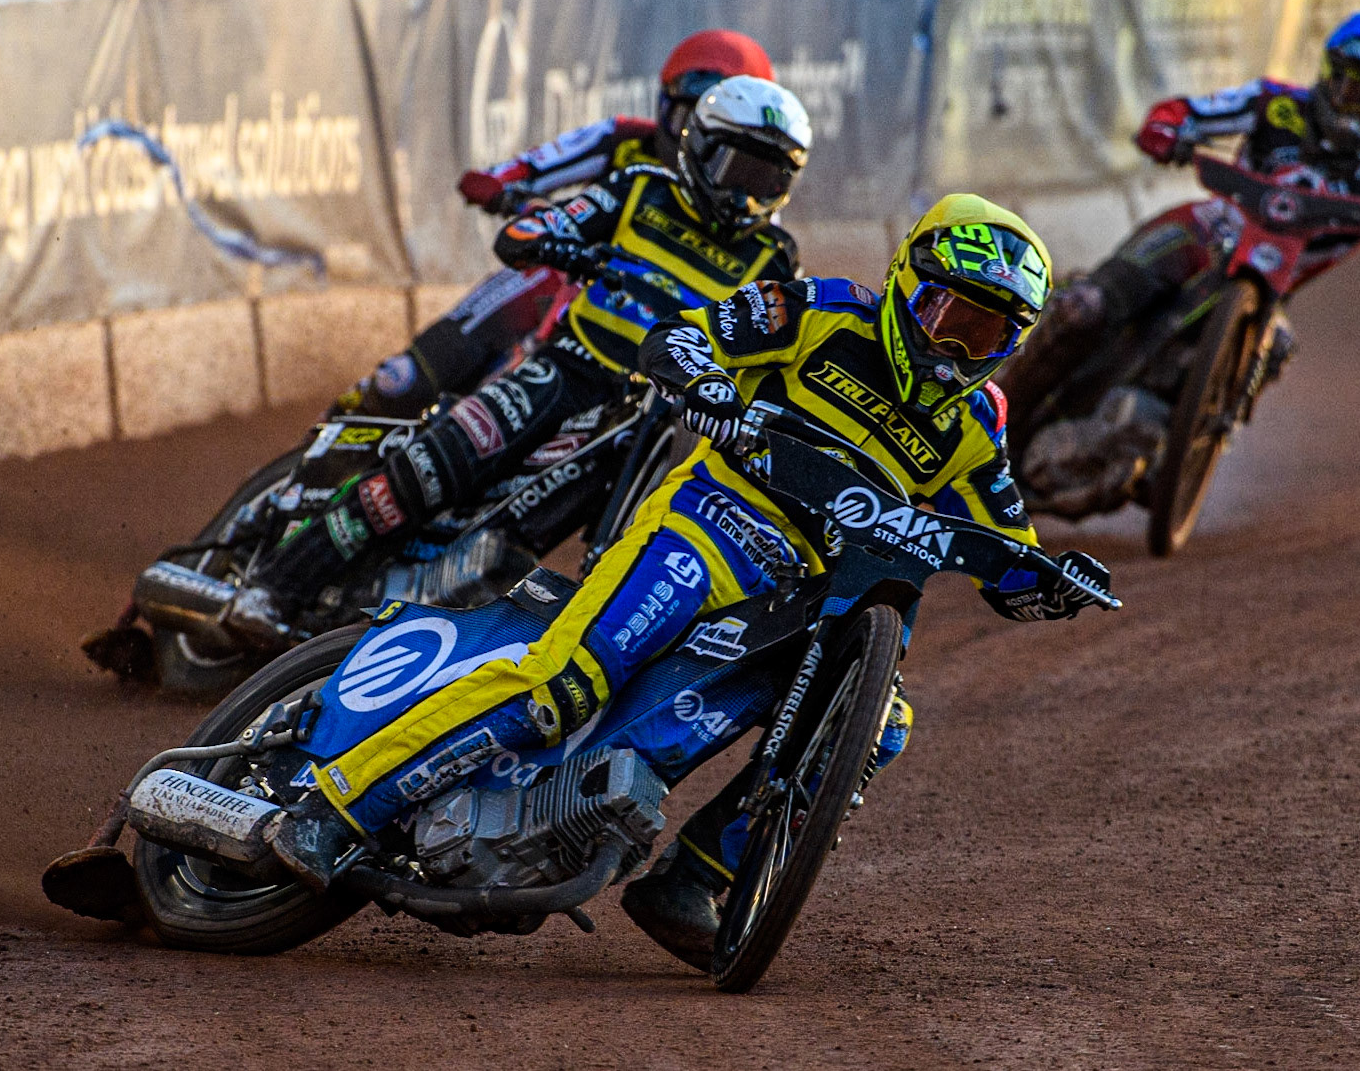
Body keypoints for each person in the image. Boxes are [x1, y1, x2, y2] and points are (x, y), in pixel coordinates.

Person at [260, 195, 1114, 972]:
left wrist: (1051, 582)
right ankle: (336, 807)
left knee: (879, 726)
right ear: (905, 280)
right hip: (708, 530)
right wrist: (705, 383)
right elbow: (681, 337)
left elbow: (1008, 549)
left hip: (805, 605)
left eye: (986, 334)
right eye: (947, 313)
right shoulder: (818, 309)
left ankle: (692, 879)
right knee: (565, 681)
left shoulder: (978, 426)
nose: (955, 346)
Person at [226, 76, 812, 641]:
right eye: (738, 170)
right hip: (566, 369)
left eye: (768, 179)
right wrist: (556, 242)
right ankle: (273, 586)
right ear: (699, 149)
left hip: (655, 417)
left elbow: (781, 355)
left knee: (553, 541)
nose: (746, 194)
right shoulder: (640, 187)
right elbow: (533, 230)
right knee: (430, 468)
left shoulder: (776, 259)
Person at [997, 11, 1360, 519]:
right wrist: (1167, 127)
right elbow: (1188, 112)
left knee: (1276, 346)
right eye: (1353, 92)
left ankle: (1192, 440)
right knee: (1083, 309)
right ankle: (984, 432)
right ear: (1329, 77)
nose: (1359, 113)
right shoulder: (1274, 103)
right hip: (1205, 231)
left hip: (1268, 293)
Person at [334, 29, 778, 420]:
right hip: (572, 282)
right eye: (688, 120)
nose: (695, 142)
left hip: (656, 342)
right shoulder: (625, 140)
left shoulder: (757, 216)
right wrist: (503, 186)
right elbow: (530, 167)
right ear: (663, 106)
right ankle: (355, 417)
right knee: (412, 376)